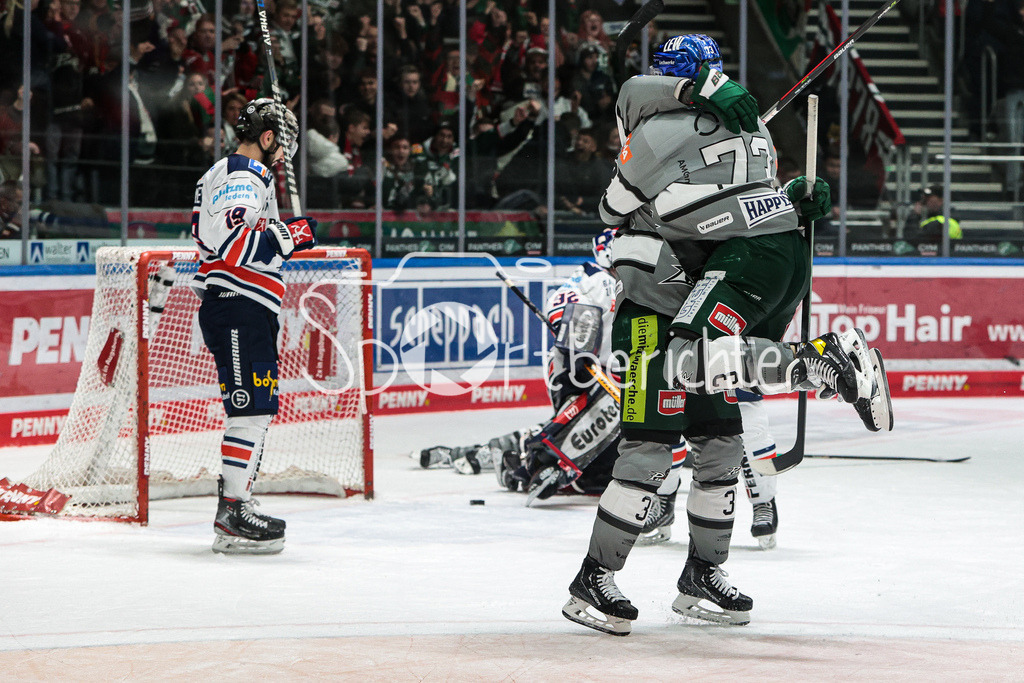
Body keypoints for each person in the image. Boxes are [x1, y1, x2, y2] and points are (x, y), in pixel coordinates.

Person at [561, 34, 890, 636]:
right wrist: (696, 108)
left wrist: (790, 203)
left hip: (697, 298)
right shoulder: (651, 125)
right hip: (649, 314)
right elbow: (616, 199)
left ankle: (701, 576)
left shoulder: (740, 132)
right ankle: (593, 579)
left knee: (719, 449)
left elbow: (739, 208)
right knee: (648, 453)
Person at [189, 97, 318, 554]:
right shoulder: (243, 176)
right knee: (249, 410)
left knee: (258, 409)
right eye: (281, 146)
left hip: (246, 305)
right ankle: (232, 512)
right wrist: (291, 235)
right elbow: (236, 245)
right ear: (267, 138)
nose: (283, 157)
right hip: (238, 303)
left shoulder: (232, 174)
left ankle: (238, 501)